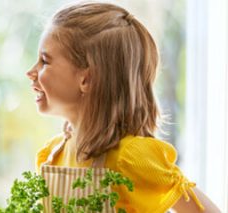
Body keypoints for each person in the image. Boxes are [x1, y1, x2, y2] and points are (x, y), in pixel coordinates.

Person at [26, 2, 220, 212]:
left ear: (86, 79)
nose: (31, 72)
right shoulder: (51, 156)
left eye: (44, 61)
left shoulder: (132, 158)